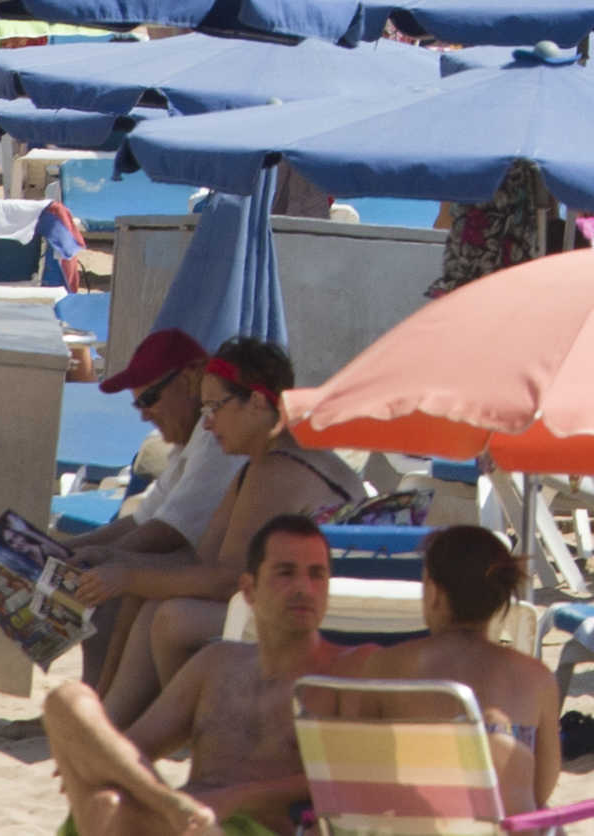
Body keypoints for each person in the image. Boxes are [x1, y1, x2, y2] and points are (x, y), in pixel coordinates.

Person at [63, 338, 358, 713]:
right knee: (149, 600)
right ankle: (112, 713)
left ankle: (182, 729)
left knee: (172, 617)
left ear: (255, 402)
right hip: (291, 601)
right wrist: (118, 567)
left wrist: (126, 575)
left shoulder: (278, 468)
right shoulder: (259, 464)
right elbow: (201, 560)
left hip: (321, 614)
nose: (206, 421)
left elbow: (226, 579)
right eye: (203, 408)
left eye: (215, 407)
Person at [44, 516, 362, 836]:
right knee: (66, 700)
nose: (304, 589)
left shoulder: (343, 674)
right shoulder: (217, 663)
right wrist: (94, 752)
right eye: (286, 573)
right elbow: (138, 745)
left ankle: (174, 810)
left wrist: (232, 798)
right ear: (249, 590)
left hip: (254, 827)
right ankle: (173, 807)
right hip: (183, 817)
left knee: (106, 809)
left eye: (317, 575)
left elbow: (351, 778)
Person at [362, 527, 561, 811]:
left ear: (434, 592)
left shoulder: (383, 667)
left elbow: (358, 778)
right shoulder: (537, 678)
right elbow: (540, 790)